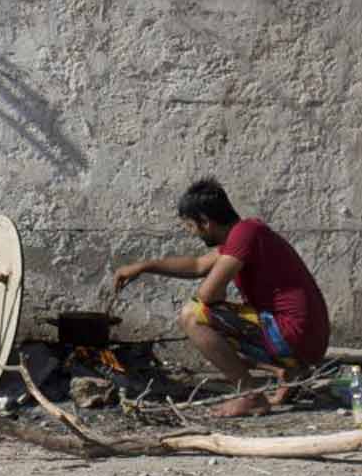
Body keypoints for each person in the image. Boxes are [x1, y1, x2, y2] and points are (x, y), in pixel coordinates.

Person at [109, 177, 331, 417]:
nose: (192, 233)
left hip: (292, 333)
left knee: (193, 316)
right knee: (221, 324)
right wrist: (144, 266)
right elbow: (197, 265)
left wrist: (215, 296)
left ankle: (250, 395)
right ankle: (290, 372)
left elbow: (207, 294)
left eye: (191, 227)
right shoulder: (245, 233)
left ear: (205, 221)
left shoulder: (245, 233)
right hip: (306, 339)